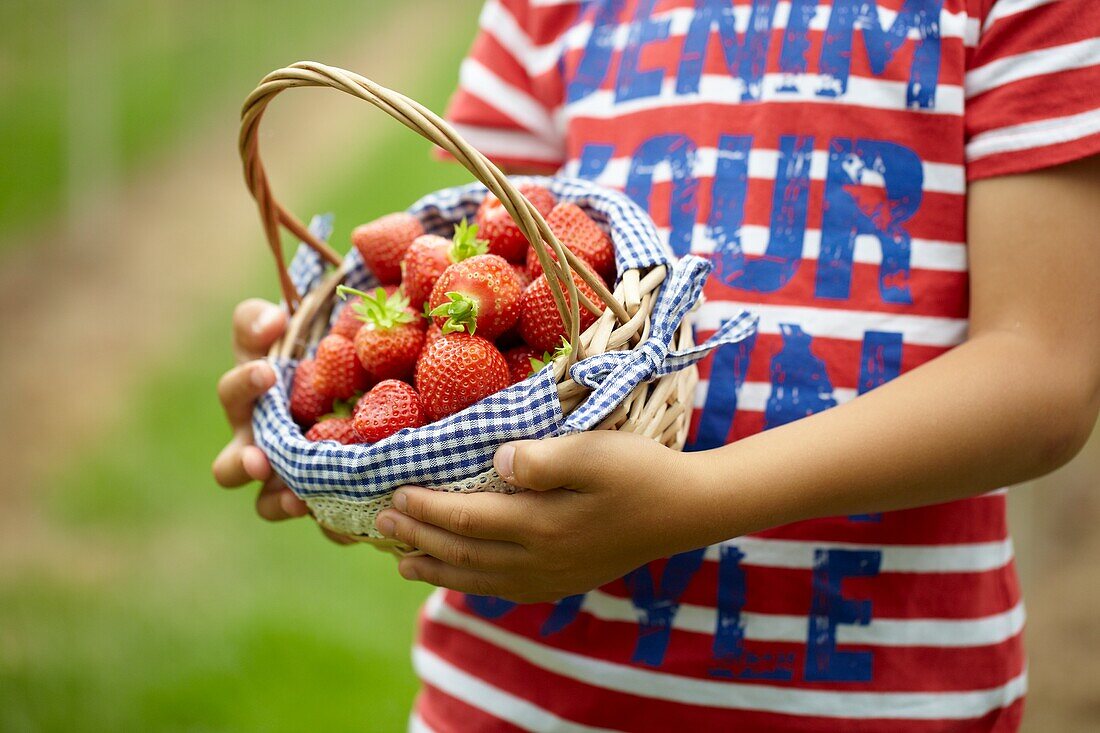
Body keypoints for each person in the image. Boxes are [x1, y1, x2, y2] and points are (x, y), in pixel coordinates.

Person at [214, 1, 1100, 730]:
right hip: (518, 701)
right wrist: (358, 468)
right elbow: (488, 254)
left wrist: (699, 502)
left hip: (876, 699)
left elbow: (1045, 374)